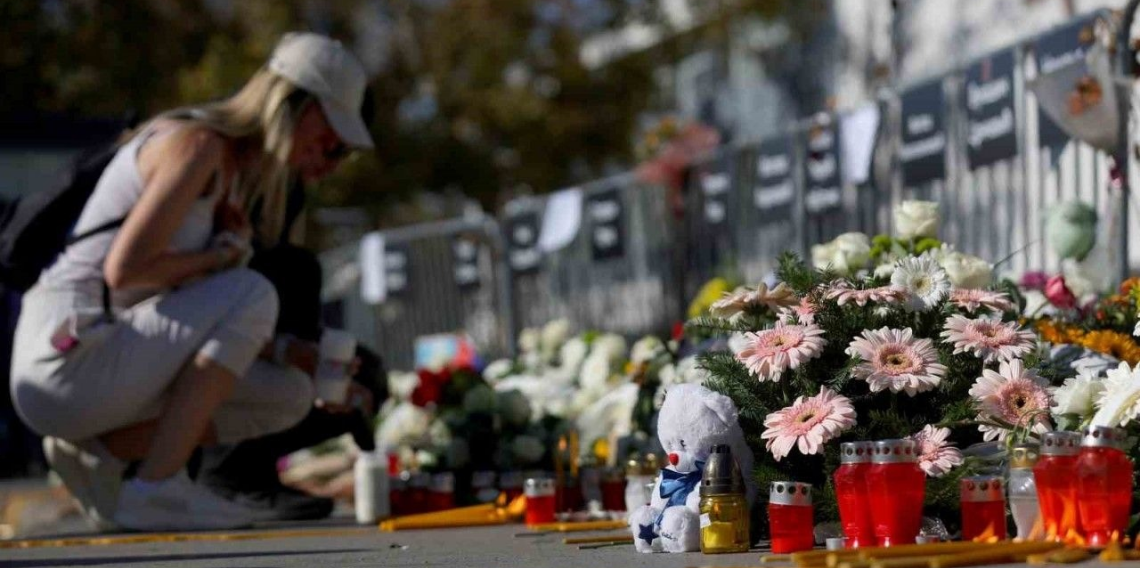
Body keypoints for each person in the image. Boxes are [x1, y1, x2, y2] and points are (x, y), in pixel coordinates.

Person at [8, 32, 374, 531]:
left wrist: (291, 353)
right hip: (66, 357)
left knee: (288, 392)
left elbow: (187, 315)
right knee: (254, 291)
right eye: (332, 142)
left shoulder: (229, 177)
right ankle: (158, 487)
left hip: (105, 355)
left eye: (342, 154)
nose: (329, 161)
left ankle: (101, 453)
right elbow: (125, 270)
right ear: (294, 105)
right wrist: (217, 259)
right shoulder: (196, 144)